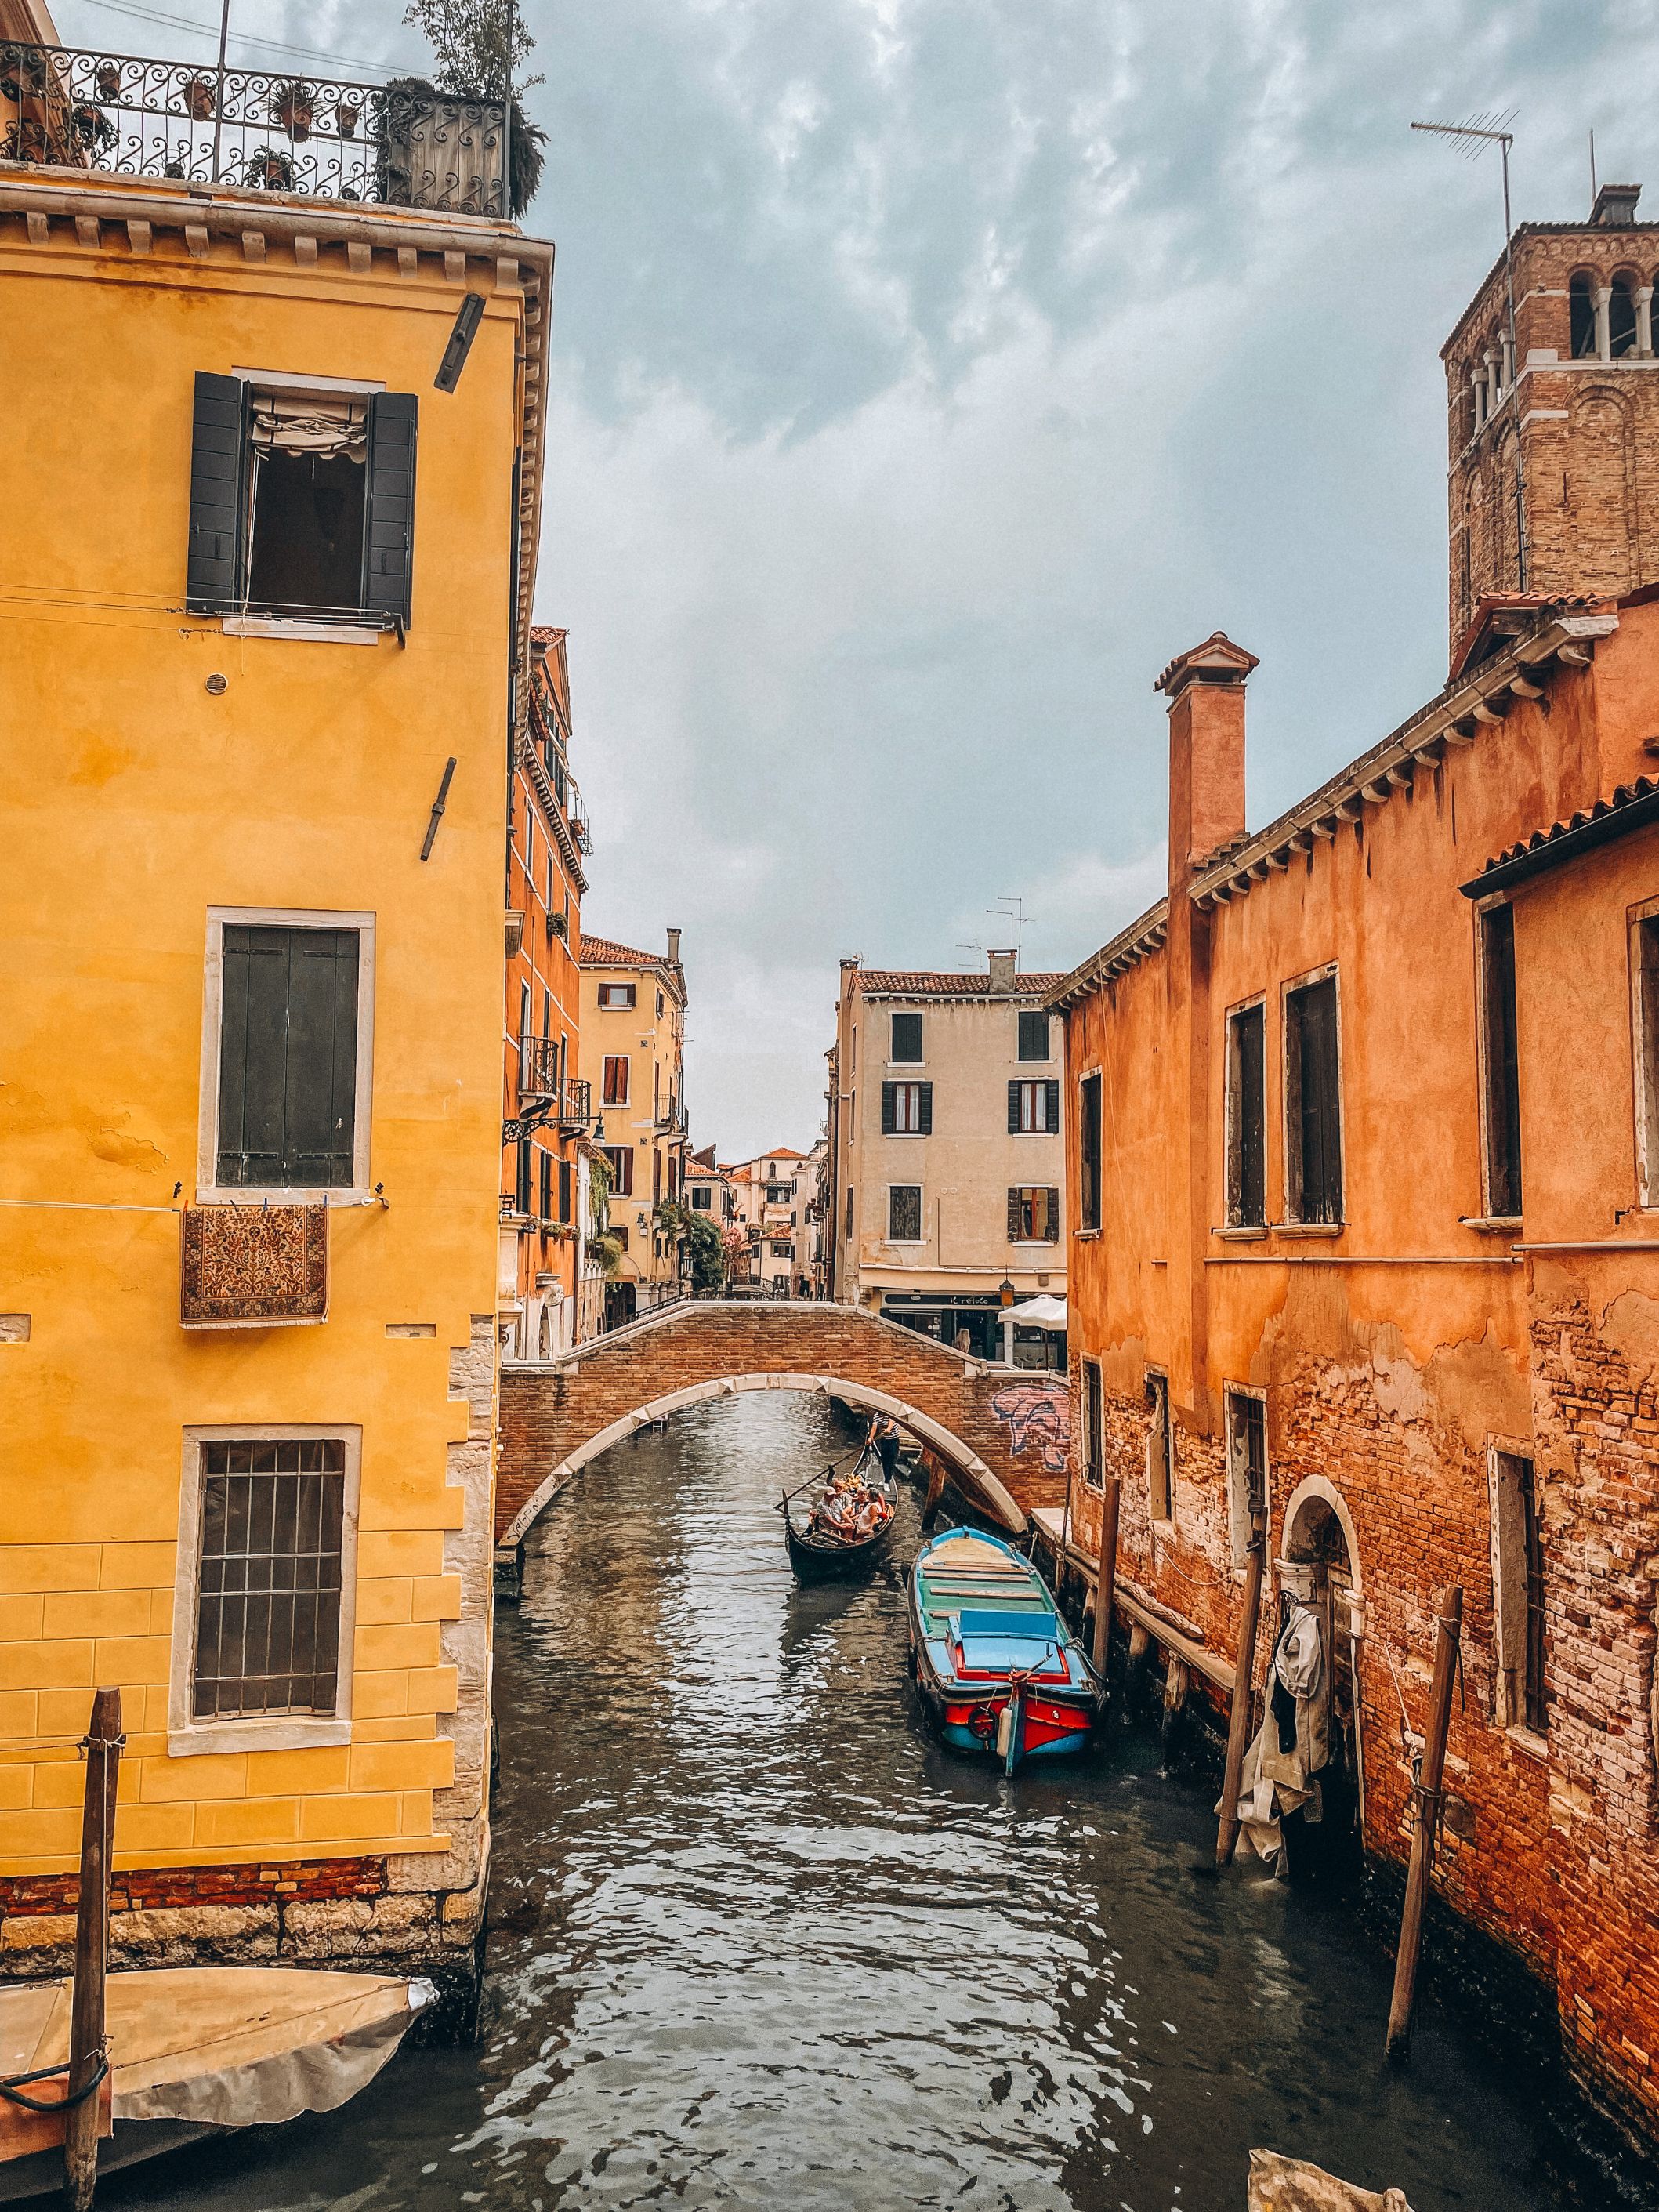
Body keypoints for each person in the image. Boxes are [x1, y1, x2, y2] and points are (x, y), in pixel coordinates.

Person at [866, 1409, 902, 1485]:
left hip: (894, 1441)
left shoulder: (889, 1413)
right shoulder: (876, 1416)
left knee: (891, 1461)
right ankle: (886, 1479)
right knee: (885, 1461)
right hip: (885, 1440)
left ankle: (887, 1481)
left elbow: (891, 1423)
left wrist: (888, 1429)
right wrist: (870, 1438)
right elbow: (874, 1428)